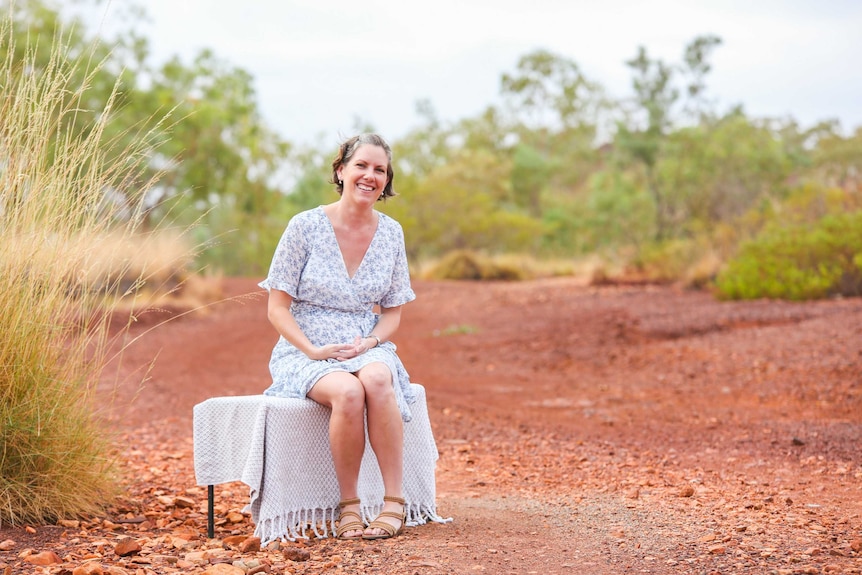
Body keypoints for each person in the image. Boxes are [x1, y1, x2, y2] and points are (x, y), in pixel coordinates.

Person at [258, 133, 416, 540]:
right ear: (341, 170)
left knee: (379, 379)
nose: (370, 175)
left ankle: (394, 503)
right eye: (361, 165)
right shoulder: (305, 226)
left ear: (386, 181)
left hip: (364, 342)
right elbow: (277, 307)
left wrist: (370, 344)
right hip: (306, 347)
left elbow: (393, 314)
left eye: (380, 169)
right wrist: (312, 350)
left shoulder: (392, 233)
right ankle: (349, 506)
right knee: (348, 393)